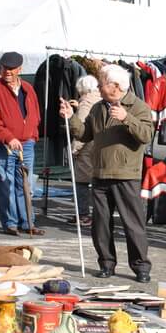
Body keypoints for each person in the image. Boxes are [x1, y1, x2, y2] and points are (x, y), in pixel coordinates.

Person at [60, 64, 154, 282]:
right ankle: (106, 264)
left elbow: (147, 135)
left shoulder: (138, 106)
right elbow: (84, 134)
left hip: (126, 175)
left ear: (116, 86)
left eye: (102, 82)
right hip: (100, 173)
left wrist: (126, 118)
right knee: (100, 224)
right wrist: (71, 117)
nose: (99, 86)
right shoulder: (98, 107)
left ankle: (141, 267)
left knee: (133, 224)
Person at [0, 51, 44, 236]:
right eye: (4, 68)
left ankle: (27, 222)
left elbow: (34, 114)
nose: (7, 72)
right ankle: (10, 222)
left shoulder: (27, 88)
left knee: (24, 184)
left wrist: (32, 134)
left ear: (19, 69)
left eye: (11, 69)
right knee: (6, 183)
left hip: (27, 143)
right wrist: (9, 138)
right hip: (5, 145)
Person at [70, 75, 101, 227]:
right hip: (100, 144)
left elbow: (80, 129)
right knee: (97, 181)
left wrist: (74, 149)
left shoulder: (86, 102)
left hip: (88, 147)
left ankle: (83, 215)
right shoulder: (101, 97)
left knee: (81, 181)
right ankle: (99, 214)